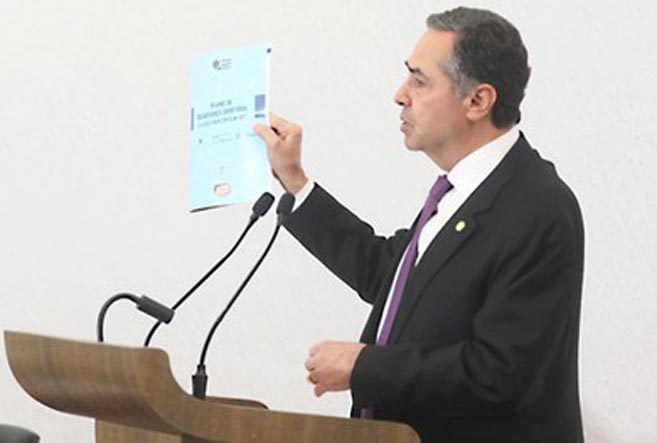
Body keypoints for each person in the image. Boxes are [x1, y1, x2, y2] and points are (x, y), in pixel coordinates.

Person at [254, 7, 584, 443]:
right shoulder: (458, 194)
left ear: (477, 101)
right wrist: (296, 182)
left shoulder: (538, 207)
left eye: (419, 81)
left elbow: (499, 374)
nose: (400, 95)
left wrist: (363, 365)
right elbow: (389, 276)